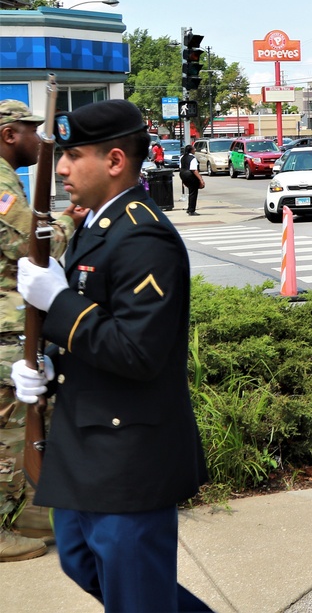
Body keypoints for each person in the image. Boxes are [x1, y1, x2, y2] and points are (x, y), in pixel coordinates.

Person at [13, 100, 209, 611]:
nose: (59, 167)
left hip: (128, 452)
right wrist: (50, 367)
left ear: (115, 161)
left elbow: (137, 351)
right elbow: (93, 333)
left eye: (73, 155)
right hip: (89, 444)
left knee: (135, 595)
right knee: (81, 560)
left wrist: (58, 302)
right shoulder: (101, 226)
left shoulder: (143, 235)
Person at [0, 100, 87, 562]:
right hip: (7, 329)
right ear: (10, 134)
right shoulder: (0, 183)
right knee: (13, 432)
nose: (38, 138)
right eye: (32, 130)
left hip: (12, 325)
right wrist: (68, 222)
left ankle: (29, 514)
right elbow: (30, 246)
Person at [178, 144, 204, 216]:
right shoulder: (192, 158)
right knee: (193, 193)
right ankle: (191, 210)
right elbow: (194, 170)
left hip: (183, 174)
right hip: (190, 175)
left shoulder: (182, 157)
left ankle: (189, 208)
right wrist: (201, 179)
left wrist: (183, 180)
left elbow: (181, 168)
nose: (195, 150)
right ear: (191, 150)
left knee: (190, 192)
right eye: (194, 149)